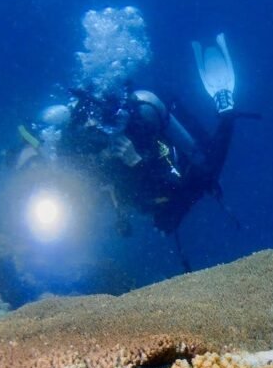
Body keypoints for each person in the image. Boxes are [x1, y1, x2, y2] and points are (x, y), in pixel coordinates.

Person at [16, 34, 245, 269]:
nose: (105, 134)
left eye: (110, 126)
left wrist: (137, 161)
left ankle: (225, 109)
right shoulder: (73, 133)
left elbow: (178, 181)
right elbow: (29, 136)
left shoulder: (142, 121)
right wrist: (30, 162)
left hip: (167, 173)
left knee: (206, 177)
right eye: (95, 128)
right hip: (127, 191)